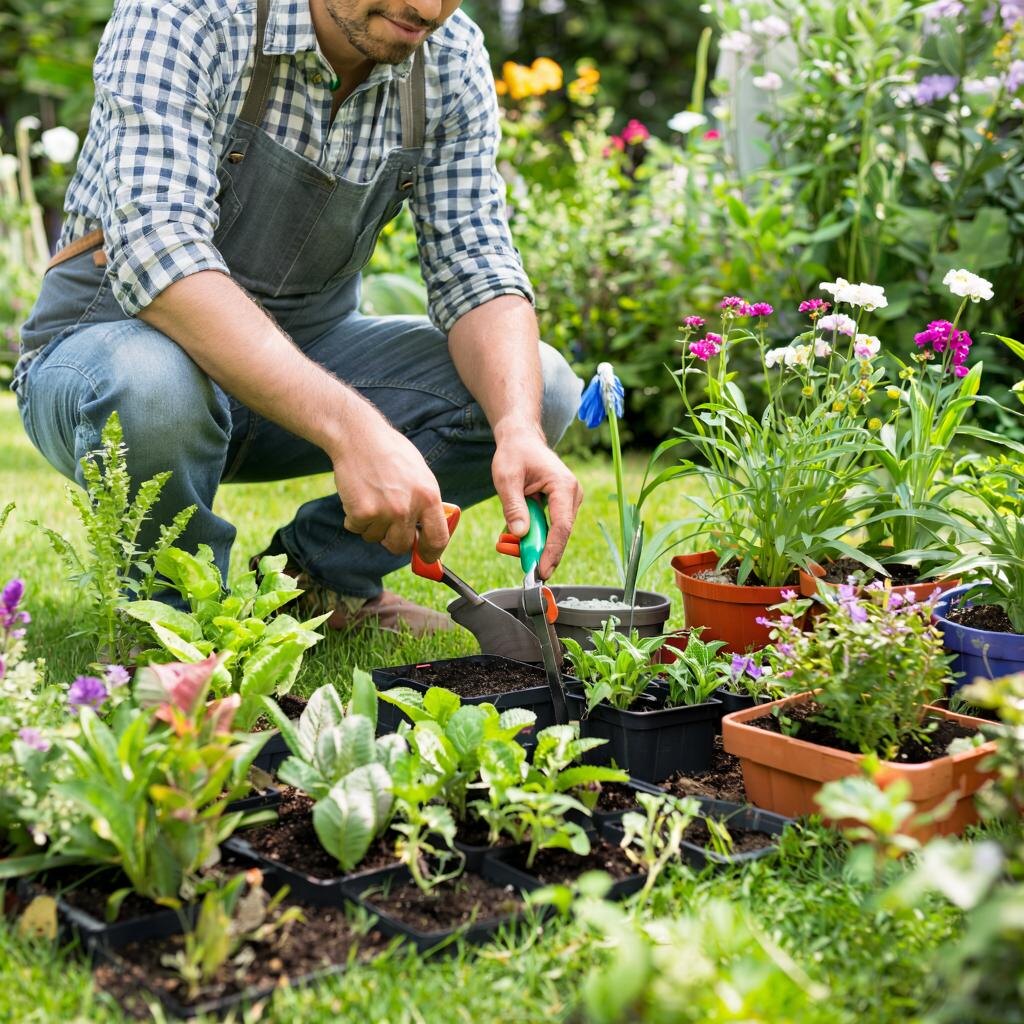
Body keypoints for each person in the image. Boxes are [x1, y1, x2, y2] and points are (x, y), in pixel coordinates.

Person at [11, 0, 584, 634]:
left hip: (306, 356)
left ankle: (310, 583)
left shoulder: (447, 55)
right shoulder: (185, 12)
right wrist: (352, 429)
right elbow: (160, 253)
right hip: (112, 358)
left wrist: (518, 428)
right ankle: (181, 625)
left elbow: (476, 264)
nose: (427, 9)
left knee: (537, 386)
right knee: (153, 383)